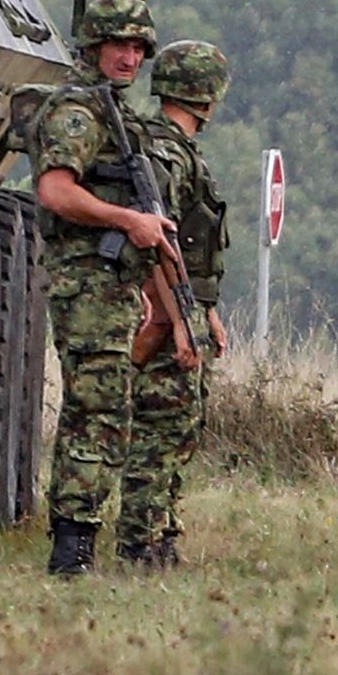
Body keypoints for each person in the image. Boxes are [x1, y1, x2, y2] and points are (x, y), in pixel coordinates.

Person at [32, 0, 179, 576]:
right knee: (97, 412)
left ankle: (79, 542)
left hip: (111, 284)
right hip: (85, 284)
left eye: (140, 48)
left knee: (105, 410)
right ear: (94, 46)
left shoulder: (110, 112)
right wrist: (127, 221)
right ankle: (73, 550)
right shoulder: (77, 114)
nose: (131, 57)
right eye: (120, 45)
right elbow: (55, 191)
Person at [110, 38, 233, 565]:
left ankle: (161, 535)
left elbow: (192, 248)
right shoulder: (165, 154)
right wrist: (180, 321)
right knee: (161, 429)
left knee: (181, 426)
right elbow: (159, 244)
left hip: (184, 305)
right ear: (207, 94)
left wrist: (205, 312)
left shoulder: (177, 153)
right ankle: (140, 542)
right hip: (165, 309)